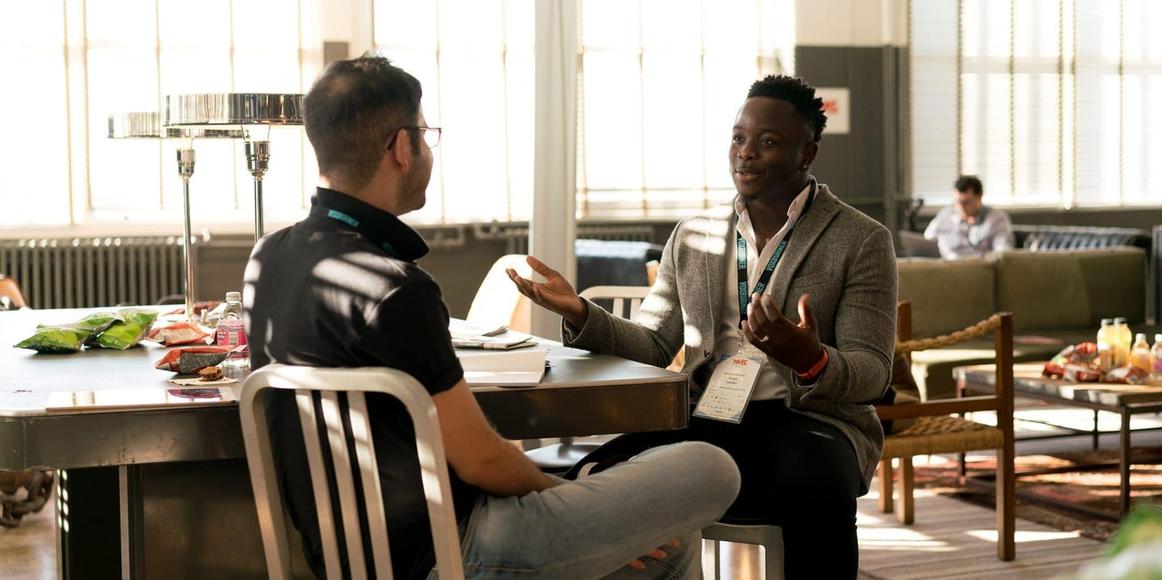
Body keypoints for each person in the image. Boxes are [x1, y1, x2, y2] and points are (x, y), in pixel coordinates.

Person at [244, 55, 740, 580]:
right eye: (426, 134)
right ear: (401, 147)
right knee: (711, 466)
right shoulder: (397, 290)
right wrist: (566, 500)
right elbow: (481, 460)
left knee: (670, 543)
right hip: (454, 551)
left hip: (349, 561)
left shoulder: (268, 257)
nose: (428, 149)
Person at [509, 75, 897, 579]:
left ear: (807, 153)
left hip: (810, 422)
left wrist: (812, 360)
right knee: (595, 475)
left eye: (767, 141)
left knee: (816, 485)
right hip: (707, 417)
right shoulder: (694, 235)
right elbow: (653, 344)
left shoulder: (861, 239)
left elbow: (873, 373)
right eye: (738, 138)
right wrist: (582, 314)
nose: (745, 153)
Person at [923, 175, 1014, 259]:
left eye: (966, 202)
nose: (961, 207)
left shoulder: (996, 219)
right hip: (947, 265)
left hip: (978, 266)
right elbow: (927, 241)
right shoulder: (946, 215)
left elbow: (1003, 252)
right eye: (957, 202)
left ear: (979, 197)